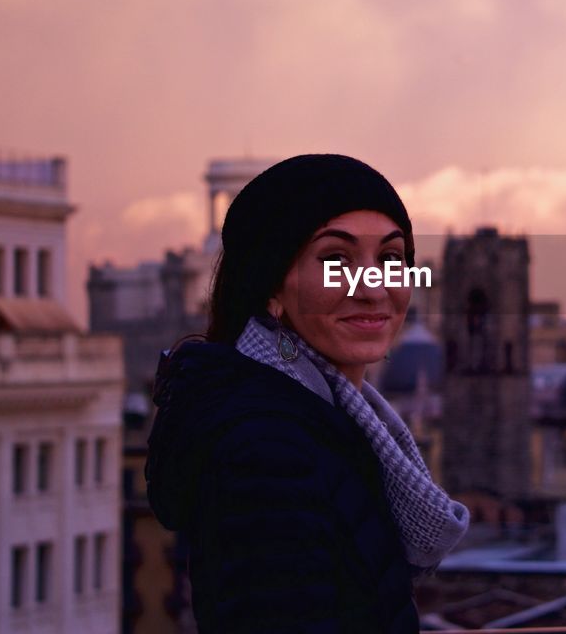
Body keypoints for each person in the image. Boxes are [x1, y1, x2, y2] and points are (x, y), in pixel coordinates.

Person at [145, 154, 470, 633]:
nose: (372, 287)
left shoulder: (327, 424)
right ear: (272, 288)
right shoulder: (267, 450)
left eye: (391, 258)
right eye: (336, 260)